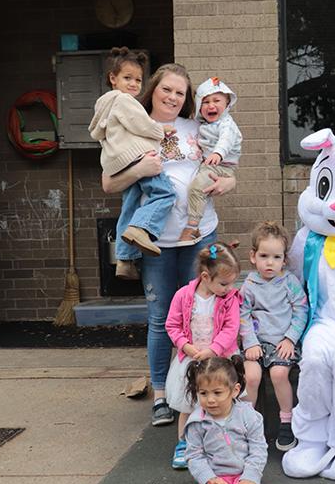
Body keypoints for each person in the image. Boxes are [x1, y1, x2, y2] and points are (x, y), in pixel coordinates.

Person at [101, 63, 237, 428]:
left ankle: (198, 390)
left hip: (199, 236)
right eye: (167, 90)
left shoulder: (197, 127)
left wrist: (228, 183)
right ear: (153, 90)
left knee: (203, 314)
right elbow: (108, 183)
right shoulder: (134, 125)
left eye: (180, 92)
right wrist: (139, 170)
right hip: (155, 243)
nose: (173, 97)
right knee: (162, 319)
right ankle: (162, 395)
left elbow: (226, 167)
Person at [89, 46, 176, 280]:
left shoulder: (104, 105)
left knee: (130, 206)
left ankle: (124, 260)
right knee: (165, 194)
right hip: (136, 157)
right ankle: (141, 229)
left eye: (138, 80)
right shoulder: (123, 100)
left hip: (119, 164)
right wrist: (161, 130)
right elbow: (141, 124)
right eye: (127, 78)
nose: (133, 84)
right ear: (113, 78)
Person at [165, 242, 242, 469]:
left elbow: (231, 328)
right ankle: (184, 443)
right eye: (224, 283)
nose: (229, 288)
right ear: (206, 277)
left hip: (219, 360)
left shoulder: (229, 299)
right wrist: (185, 346)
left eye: (232, 283)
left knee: (222, 401)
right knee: (188, 404)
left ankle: (224, 443)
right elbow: (172, 325)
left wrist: (214, 350)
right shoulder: (184, 296)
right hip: (191, 359)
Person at [239, 221, 308, 451]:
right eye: (264, 256)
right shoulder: (249, 285)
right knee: (251, 377)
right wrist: (250, 343)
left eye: (276, 257)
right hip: (257, 345)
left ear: (285, 260)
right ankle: (247, 426)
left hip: (282, 343)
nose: (270, 263)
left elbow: (301, 309)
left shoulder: (289, 282)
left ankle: (286, 422)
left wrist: (290, 338)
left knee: (279, 374)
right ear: (253, 256)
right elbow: (242, 314)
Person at [183, 356, 281, 484]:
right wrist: (208, 478)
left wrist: (250, 476)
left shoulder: (248, 415)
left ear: (235, 390)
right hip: (215, 477)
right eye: (203, 393)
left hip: (244, 474)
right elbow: (194, 455)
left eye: (217, 393)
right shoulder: (197, 422)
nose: (210, 400)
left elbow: (258, 449)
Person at [179, 77, 243, 245]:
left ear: (227, 103)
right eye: (205, 102)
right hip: (211, 164)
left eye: (216, 100)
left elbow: (226, 140)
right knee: (199, 189)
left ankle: (193, 227)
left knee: (197, 188)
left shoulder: (226, 124)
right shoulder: (202, 123)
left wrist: (218, 153)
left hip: (220, 166)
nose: (211, 105)